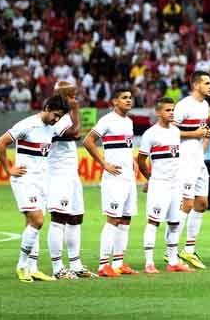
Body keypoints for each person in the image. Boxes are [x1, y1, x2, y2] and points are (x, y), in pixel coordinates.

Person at [0, 95, 69, 282]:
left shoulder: (50, 128)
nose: (56, 120)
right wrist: (8, 168)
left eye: (60, 117)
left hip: (42, 181)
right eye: (55, 115)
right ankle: (21, 266)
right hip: (25, 179)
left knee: (32, 224)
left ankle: (33, 268)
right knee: (38, 220)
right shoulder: (27, 125)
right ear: (47, 107)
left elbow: (75, 133)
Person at [82, 87, 139, 277]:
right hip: (114, 179)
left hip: (128, 177)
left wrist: (132, 161)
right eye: (124, 98)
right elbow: (88, 141)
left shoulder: (129, 122)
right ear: (114, 101)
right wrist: (103, 163)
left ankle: (119, 263)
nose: (129, 100)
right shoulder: (107, 120)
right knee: (113, 219)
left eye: (130, 97)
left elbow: (125, 147)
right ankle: (103, 265)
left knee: (125, 220)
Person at [137, 97, 193, 274]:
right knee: (153, 222)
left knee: (175, 223)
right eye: (168, 110)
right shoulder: (151, 134)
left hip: (175, 184)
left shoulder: (175, 131)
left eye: (172, 110)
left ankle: (173, 261)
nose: (171, 113)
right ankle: (149, 263)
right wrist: (150, 179)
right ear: (158, 112)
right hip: (159, 184)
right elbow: (140, 160)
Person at [46, 81, 94, 278]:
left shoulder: (65, 116)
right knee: (59, 219)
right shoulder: (55, 119)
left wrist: (73, 111)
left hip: (71, 174)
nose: (76, 100)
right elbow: (74, 134)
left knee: (76, 218)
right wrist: (75, 110)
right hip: (57, 174)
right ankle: (58, 268)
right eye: (73, 97)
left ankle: (76, 264)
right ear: (65, 97)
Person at [172, 71, 210, 269]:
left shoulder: (205, 106)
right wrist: (194, 133)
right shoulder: (183, 106)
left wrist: (204, 135)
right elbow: (170, 132)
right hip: (185, 161)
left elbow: (200, 132)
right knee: (186, 205)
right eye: (207, 83)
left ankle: (188, 250)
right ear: (196, 85)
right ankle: (170, 251)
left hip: (199, 160)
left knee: (202, 203)